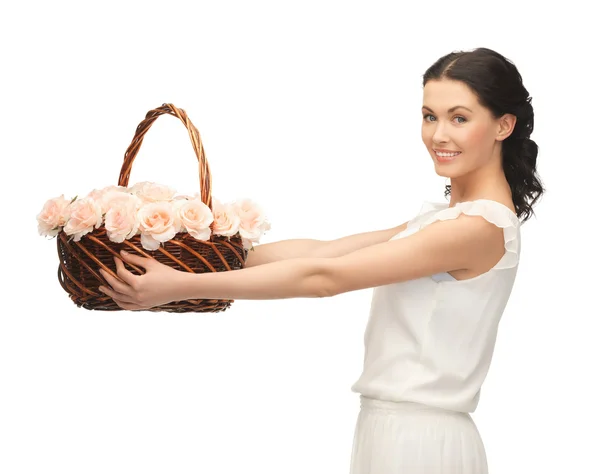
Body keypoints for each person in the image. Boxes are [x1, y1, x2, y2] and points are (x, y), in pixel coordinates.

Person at [97, 47, 544, 473]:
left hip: (419, 437)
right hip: (396, 429)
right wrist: (199, 254)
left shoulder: (477, 227)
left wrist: (181, 285)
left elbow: (326, 277)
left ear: (504, 125)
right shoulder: (447, 220)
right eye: (429, 116)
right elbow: (326, 251)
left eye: (459, 118)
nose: (438, 134)